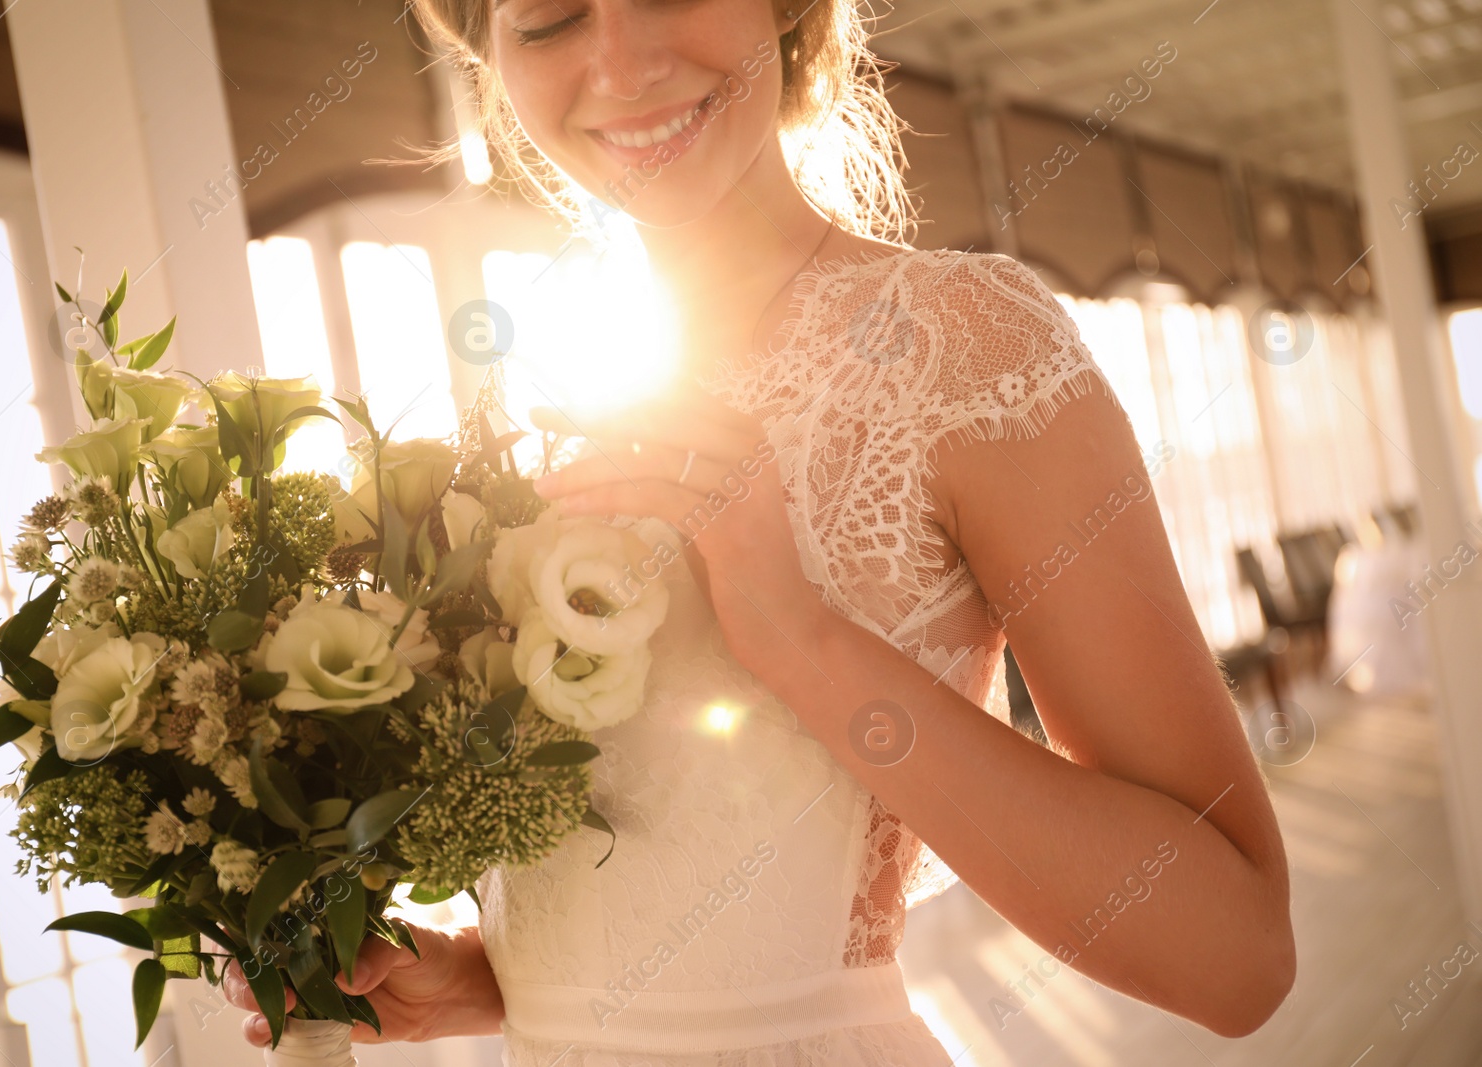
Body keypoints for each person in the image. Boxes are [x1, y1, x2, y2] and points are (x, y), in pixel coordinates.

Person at [226, 0, 1297, 1060]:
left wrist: (797, 632)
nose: (624, 61)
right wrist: (494, 972)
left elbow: (1233, 954)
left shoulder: (966, 350)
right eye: (550, 19)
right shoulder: (527, 405)